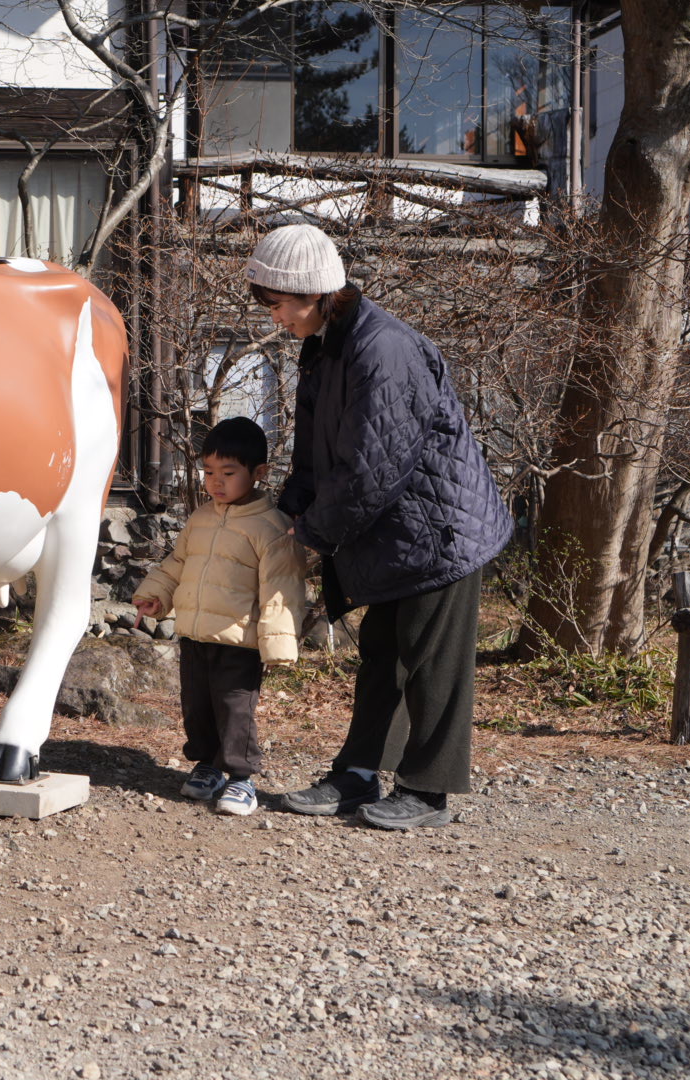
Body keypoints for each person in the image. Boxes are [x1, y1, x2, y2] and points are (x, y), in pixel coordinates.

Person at [246, 223, 513, 830]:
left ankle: (428, 790)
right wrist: (290, 511)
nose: (275, 318)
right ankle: (358, 774)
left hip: (443, 529)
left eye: (278, 303)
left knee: (432, 663)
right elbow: (316, 451)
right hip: (395, 530)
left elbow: (374, 467)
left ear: (315, 293)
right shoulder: (325, 346)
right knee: (383, 656)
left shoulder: (382, 349)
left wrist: (316, 532)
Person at [132, 417, 308, 816]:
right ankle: (208, 766)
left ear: (259, 472)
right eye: (209, 472)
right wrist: (157, 594)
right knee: (197, 706)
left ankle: (242, 779)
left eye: (228, 473)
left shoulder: (272, 528)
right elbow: (178, 563)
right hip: (195, 634)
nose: (216, 482)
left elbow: (282, 588)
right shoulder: (201, 518)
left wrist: (278, 642)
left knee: (234, 711)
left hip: (240, 640)